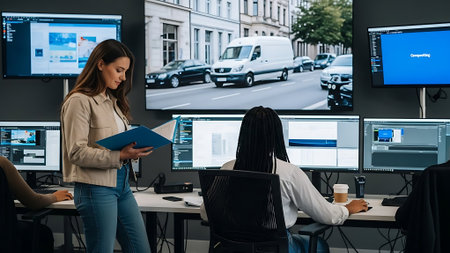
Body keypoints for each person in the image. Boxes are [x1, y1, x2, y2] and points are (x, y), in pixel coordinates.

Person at [200, 106, 368, 253]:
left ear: (243, 135)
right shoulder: (289, 173)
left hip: (230, 249)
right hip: (273, 249)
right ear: (276, 137)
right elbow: (327, 215)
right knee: (319, 246)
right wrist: (348, 209)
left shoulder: (227, 168)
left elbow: (206, 214)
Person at [61, 39, 153, 253]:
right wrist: (120, 155)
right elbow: (76, 152)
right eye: (119, 70)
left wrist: (134, 151)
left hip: (121, 185)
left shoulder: (112, 100)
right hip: (95, 188)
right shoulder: (79, 101)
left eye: (126, 72)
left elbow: (114, 145)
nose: (123, 77)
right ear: (101, 64)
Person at [0, 156, 73, 253]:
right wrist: (54, 197)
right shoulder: (2, 162)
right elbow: (34, 202)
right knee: (43, 233)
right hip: (4, 237)